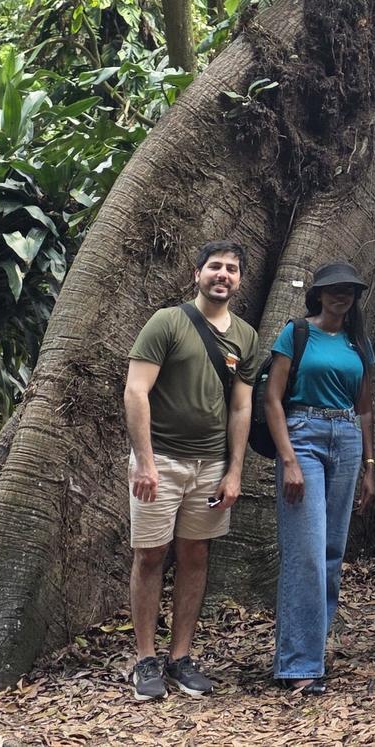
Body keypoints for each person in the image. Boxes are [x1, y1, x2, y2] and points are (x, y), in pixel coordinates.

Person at [124, 240, 259, 701]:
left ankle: (179, 657)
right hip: (160, 461)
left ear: (240, 280)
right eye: (215, 267)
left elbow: (242, 408)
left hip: (210, 466)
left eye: (232, 270)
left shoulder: (245, 335)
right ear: (197, 272)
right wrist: (144, 462)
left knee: (195, 556)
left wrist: (234, 471)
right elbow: (136, 391)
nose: (223, 275)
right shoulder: (168, 322)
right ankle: (144, 660)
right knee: (149, 556)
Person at [263, 260, 375, 692]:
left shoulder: (358, 343)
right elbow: (273, 399)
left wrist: (370, 465)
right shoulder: (297, 333)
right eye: (333, 289)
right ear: (318, 294)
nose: (340, 295)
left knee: (331, 551)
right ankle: (298, 665)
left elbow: (364, 407)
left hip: (346, 439)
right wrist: (288, 459)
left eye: (348, 289)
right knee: (306, 551)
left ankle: (312, 647)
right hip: (303, 436)